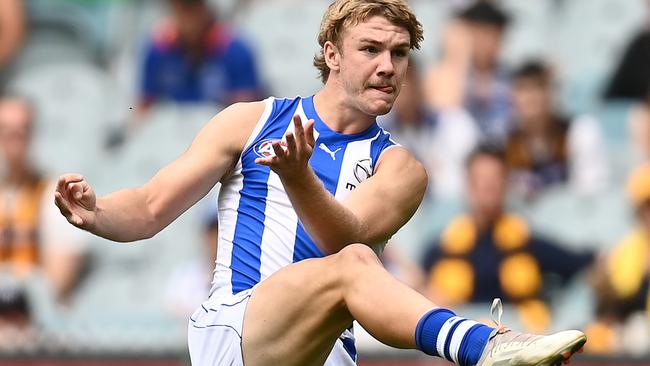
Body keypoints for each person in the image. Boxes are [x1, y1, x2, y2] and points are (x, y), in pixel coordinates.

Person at [54, 1, 587, 365]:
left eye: (399, 53)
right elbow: (148, 208)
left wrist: (296, 176)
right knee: (358, 264)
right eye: (371, 49)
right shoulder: (250, 121)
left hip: (321, 354)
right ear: (332, 54)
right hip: (237, 335)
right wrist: (97, 213)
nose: (388, 66)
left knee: (351, 263)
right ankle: (485, 346)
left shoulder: (402, 168)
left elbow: (342, 234)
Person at [421, 145, 594, 333]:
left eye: (495, 179)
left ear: (506, 185)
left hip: (516, 341)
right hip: (461, 348)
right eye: (481, 180)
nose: (488, 187)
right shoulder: (441, 250)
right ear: (468, 186)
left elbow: (580, 263)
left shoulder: (528, 244)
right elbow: (417, 290)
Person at [0, 96, 87, 304]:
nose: (14, 139)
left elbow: (58, 283)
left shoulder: (53, 195)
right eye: (6, 130)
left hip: (31, 317)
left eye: (22, 130)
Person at [505, 61, 608, 199]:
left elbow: (590, 195)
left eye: (538, 87)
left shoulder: (578, 131)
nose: (531, 97)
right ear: (512, 97)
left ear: (551, 92)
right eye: (523, 89)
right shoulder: (505, 142)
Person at [139, 0, 262, 110]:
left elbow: (246, 112)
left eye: (192, 7)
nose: (187, 17)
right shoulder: (159, 50)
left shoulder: (235, 51)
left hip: (222, 128)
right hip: (172, 127)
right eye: (180, 8)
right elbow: (145, 105)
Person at [425, 1, 512, 144]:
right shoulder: (446, 74)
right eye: (481, 32)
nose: (486, 41)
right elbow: (444, 118)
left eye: (494, 33)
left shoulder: (509, 78)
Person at [586, 163, 650, 355]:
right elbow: (614, 308)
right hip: (631, 329)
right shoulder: (627, 250)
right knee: (592, 337)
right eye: (645, 206)